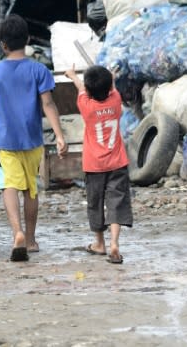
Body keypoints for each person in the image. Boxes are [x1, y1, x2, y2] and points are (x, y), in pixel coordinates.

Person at [0, 14, 67, 262]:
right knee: (30, 188)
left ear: (2, 45)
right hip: (33, 139)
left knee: (9, 185)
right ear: (27, 40)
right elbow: (48, 104)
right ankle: (30, 239)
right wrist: (59, 136)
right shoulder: (39, 70)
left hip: (4, 139)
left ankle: (16, 232)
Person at [65, 63, 132, 264]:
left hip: (94, 166)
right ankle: (114, 243)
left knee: (95, 204)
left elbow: (81, 89)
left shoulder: (86, 107)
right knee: (116, 202)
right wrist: (110, 78)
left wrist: (73, 76)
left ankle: (99, 244)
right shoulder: (116, 101)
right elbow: (110, 89)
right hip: (117, 162)